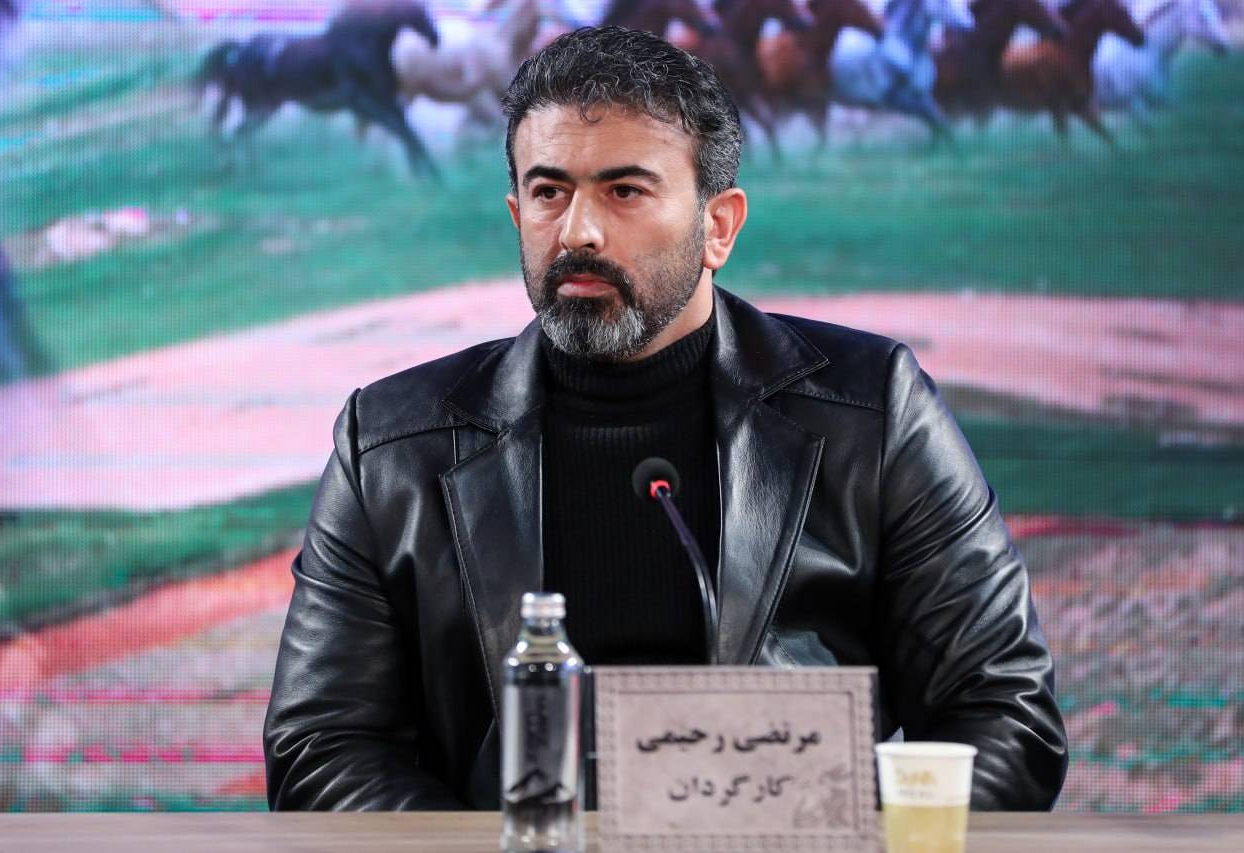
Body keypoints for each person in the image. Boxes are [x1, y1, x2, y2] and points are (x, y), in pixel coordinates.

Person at [263, 25, 1068, 812]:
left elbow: (1003, 708)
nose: (577, 231)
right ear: (517, 215)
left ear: (718, 227)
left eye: (624, 190)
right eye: (549, 192)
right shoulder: (390, 444)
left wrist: (837, 835)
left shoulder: (873, 411)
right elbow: (321, 745)